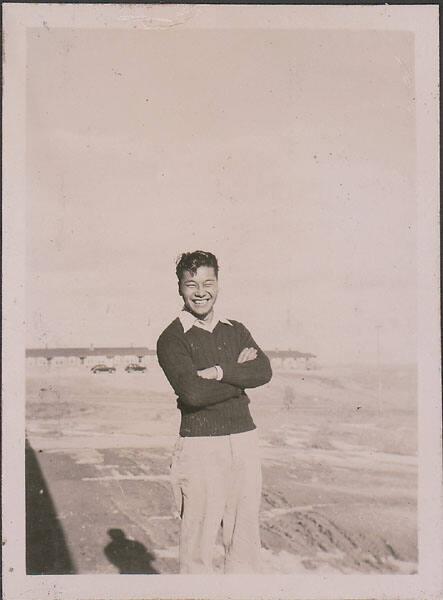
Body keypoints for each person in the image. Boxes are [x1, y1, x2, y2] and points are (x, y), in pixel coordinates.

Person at [156, 250, 272, 574]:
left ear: (218, 284)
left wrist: (220, 372)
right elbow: (192, 393)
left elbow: (263, 371)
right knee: (197, 551)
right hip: (200, 446)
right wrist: (239, 376)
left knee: (245, 547)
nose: (200, 291)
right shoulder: (171, 338)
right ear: (179, 287)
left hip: (244, 442)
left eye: (208, 282)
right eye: (191, 284)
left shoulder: (235, 329)